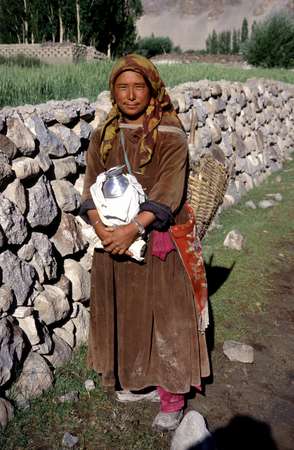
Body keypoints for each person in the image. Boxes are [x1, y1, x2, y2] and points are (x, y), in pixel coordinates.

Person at [80, 54, 210, 431]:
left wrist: (132, 229)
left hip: (158, 237)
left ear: (152, 90)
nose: (131, 95)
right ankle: (138, 380)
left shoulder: (169, 132)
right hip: (113, 240)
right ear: (113, 92)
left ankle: (172, 395)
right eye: (123, 87)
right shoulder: (103, 134)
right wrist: (104, 231)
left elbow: (169, 190)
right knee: (128, 310)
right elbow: (90, 185)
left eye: (139, 86)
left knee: (166, 315)